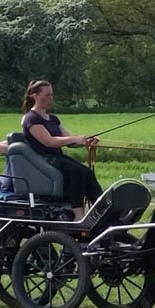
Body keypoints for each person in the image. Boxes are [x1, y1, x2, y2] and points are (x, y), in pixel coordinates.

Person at [20, 80, 102, 220]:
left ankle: (101, 209)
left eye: (51, 95)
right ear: (35, 96)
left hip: (57, 157)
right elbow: (49, 141)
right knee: (77, 172)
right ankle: (78, 214)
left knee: (87, 172)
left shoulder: (53, 119)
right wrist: (75, 139)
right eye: (46, 95)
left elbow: (68, 141)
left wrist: (86, 141)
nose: (50, 98)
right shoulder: (31, 119)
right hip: (42, 159)